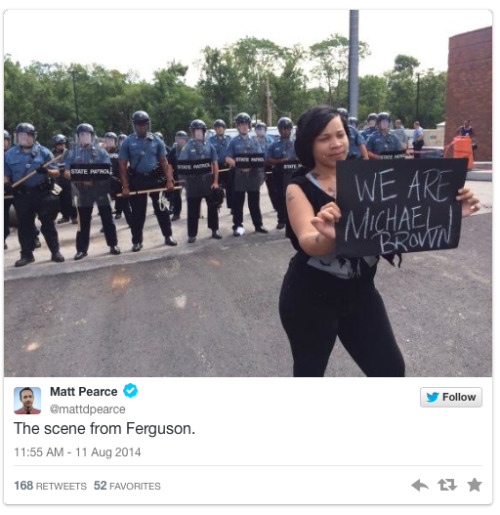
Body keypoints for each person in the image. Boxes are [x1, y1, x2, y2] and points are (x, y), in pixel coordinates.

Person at [279, 105, 480, 377]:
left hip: (361, 293)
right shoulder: (298, 187)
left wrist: (450, 212)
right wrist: (328, 235)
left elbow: (404, 219)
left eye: (340, 134)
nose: (336, 143)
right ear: (308, 144)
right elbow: (308, 241)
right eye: (324, 138)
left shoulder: (369, 176)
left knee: (390, 370)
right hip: (309, 297)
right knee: (309, 373)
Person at [4, 122, 65, 267]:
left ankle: (55, 251)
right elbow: (5, 174)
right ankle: (26, 255)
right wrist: (6, 183)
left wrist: (46, 171)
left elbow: (56, 172)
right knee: (24, 225)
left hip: (42, 193)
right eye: (21, 135)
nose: (24, 138)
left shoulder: (43, 152)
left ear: (33, 136)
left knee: (48, 223)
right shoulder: (9, 154)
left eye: (27, 135)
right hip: (22, 195)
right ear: (17, 137)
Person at [118, 110, 177, 252]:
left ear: (148, 125)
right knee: (138, 213)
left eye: (144, 124)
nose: (141, 127)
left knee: (162, 209)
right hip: (137, 179)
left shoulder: (156, 140)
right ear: (134, 125)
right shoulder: (128, 141)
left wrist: (169, 180)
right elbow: (122, 165)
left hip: (156, 178)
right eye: (138, 124)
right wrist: (125, 186)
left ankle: (168, 236)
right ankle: (137, 241)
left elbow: (164, 162)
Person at [64, 123, 120, 260]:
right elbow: (66, 172)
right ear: (78, 137)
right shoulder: (72, 153)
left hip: (101, 189)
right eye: (81, 135)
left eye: (87, 134)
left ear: (92, 136)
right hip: (82, 190)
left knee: (107, 218)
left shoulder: (100, 152)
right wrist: (82, 179)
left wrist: (93, 178)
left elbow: (106, 170)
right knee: (82, 221)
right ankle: (81, 249)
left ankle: (113, 244)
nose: (84, 137)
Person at [178, 119, 221, 243]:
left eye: (200, 130)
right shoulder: (187, 147)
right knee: (193, 209)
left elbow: (215, 164)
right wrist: (185, 184)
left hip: (208, 181)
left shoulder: (209, 145)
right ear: (192, 132)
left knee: (213, 207)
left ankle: (214, 229)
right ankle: (192, 234)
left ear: (204, 131)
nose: (198, 133)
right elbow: (182, 167)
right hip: (193, 183)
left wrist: (216, 182)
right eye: (196, 130)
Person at [225, 112, 268, 237]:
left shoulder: (255, 141)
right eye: (241, 124)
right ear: (237, 126)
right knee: (238, 203)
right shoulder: (233, 142)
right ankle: (238, 226)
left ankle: (258, 225)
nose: (244, 127)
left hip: (253, 175)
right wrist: (239, 165)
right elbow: (228, 158)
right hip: (239, 176)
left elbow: (259, 158)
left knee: (254, 202)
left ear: (249, 126)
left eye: (246, 124)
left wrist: (253, 167)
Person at [266, 117, 299, 230]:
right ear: (279, 130)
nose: (285, 131)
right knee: (280, 198)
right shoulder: (274, 145)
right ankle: (281, 220)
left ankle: (294, 221)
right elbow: (268, 159)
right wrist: (279, 161)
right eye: (282, 129)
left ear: (290, 129)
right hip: (279, 174)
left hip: (294, 174)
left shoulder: (296, 144)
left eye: (287, 128)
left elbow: (302, 158)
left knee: (294, 198)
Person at [104, 132, 132, 225]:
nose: (110, 142)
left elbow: (126, 166)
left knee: (125, 204)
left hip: (119, 180)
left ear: (115, 141)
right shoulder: (101, 152)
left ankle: (131, 222)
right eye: (108, 140)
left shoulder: (121, 151)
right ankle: (107, 225)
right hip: (106, 182)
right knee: (105, 206)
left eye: (112, 140)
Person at [52, 134, 77, 225]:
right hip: (57, 179)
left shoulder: (69, 153)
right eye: (59, 144)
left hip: (68, 178)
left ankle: (74, 216)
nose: (61, 145)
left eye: (62, 144)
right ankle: (65, 216)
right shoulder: (51, 154)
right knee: (60, 198)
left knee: (70, 197)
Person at [208, 120, 232, 210]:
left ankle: (232, 206)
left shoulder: (229, 139)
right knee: (217, 187)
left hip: (228, 167)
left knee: (231, 187)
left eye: (221, 127)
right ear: (215, 129)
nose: (219, 129)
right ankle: (218, 203)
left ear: (224, 128)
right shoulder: (210, 140)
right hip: (217, 167)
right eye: (217, 127)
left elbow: (232, 152)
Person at [166, 130, 188, 221]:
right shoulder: (173, 150)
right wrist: (170, 178)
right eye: (179, 139)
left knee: (192, 195)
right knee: (176, 196)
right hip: (177, 176)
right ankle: (176, 213)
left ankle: (196, 213)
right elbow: (169, 165)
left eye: (182, 139)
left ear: (186, 139)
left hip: (189, 175)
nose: (181, 141)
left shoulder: (190, 149)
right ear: (176, 140)